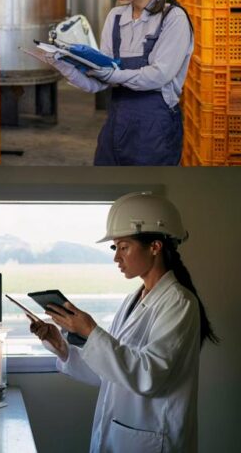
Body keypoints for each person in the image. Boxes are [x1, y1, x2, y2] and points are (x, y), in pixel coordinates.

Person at [30, 192, 217, 453]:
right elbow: (110, 372)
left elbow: (147, 376)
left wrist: (91, 331)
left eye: (124, 247)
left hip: (153, 441)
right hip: (120, 436)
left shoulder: (179, 303)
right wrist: (61, 345)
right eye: (114, 248)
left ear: (155, 247)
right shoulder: (132, 300)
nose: (116, 257)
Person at [48, 0, 194, 166]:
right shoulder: (115, 17)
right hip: (116, 125)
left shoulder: (173, 19)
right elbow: (99, 83)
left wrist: (111, 74)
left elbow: (158, 75)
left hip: (154, 130)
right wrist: (63, 65)